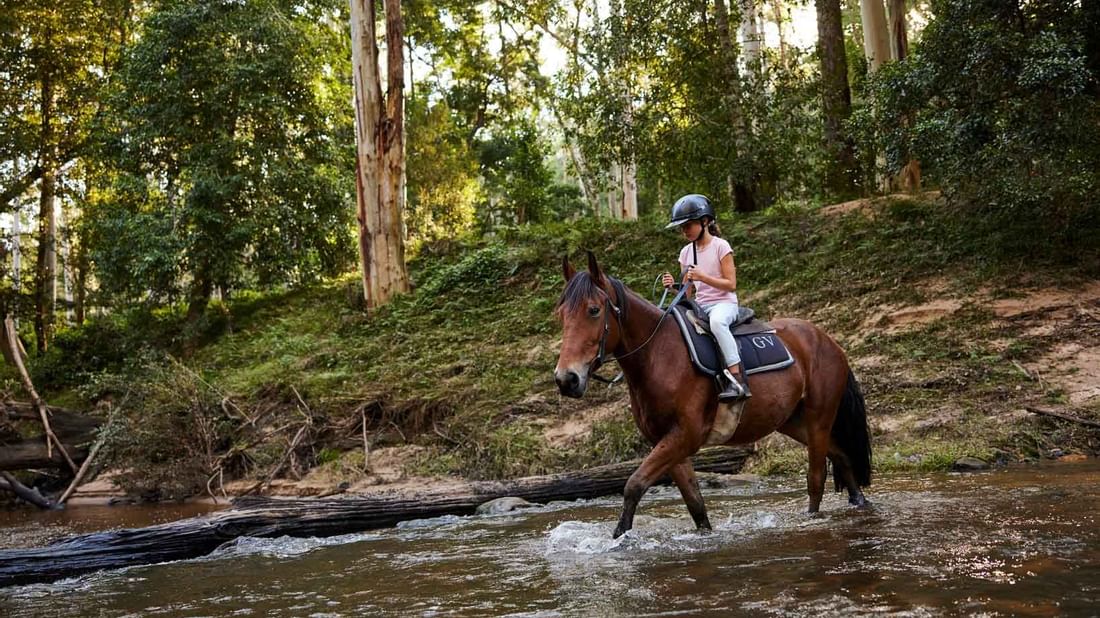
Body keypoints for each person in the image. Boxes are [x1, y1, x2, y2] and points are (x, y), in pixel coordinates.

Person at [661, 194, 750, 401]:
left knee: (718, 323)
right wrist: (673, 286)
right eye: (682, 227)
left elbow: (731, 284)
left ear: (705, 221)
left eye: (688, 225)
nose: (684, 230)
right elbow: (688, 292)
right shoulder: (685, 253)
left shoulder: (721, 246)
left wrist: (703, 277)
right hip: (700, 305)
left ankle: (737, 379)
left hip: (723, 303)